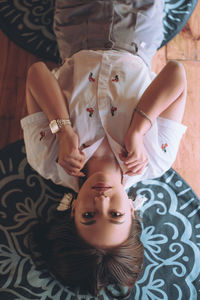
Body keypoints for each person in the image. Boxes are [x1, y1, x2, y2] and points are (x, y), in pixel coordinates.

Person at [21, 0, 187, 297]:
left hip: (76, 28)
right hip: (138, 31)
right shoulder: (155, 159)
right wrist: (139, 128)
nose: (102, 201)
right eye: (115, 215)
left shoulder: (47, 160)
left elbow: (36, 73)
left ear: (72, 211)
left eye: (89, 216)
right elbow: (175, 74)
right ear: (133, 212)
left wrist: (63, 130)